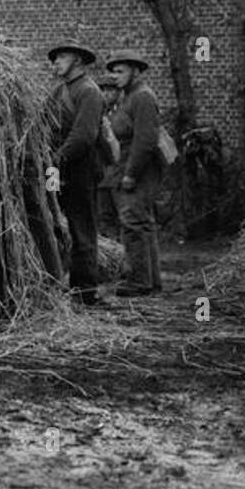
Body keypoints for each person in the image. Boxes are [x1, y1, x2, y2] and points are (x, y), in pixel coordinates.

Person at [46, 39, 104, 305]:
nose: (55, 62)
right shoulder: (58, 91)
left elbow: (84, 135)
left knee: (82, 229)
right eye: (54, 58)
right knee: (54, 224)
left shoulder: (89, 91)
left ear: (78, 60)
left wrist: (57, 158)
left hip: (80, 169)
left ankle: (85, 291)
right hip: (56, 169)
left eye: (62, 57)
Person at [104, 50, 163, 296]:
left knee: (133, 223)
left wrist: (131, 173)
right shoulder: (129, 97)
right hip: (127, 166)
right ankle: (150, 281)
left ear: (136, 71)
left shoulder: (142, 97)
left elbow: (146, 140)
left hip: (137, 169)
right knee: (142, 223)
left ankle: (139, 281)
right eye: (113, 71)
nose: (115, 76)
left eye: (121, 71)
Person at [96, 78, 122, 238]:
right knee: (104, 215)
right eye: (103, 90)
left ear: (118, 93)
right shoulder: (100, 113)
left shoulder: (123, 114)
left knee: (122, 214)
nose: (106, 94)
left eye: (110, 90)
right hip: (102, 173)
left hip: (119, 172)